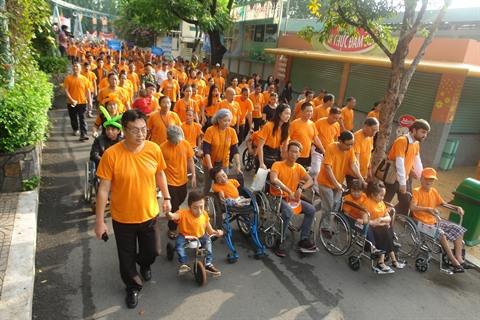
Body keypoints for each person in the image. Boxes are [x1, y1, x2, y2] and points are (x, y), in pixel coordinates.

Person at [94, 109, 172, 309]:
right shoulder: (111, 155)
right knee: (126, 257)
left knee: (153, 251)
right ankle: (133, 286)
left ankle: (144, 264)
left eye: (144, 129)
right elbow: (103, 189)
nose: (141, 134)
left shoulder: (153, 149)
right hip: (123, 218)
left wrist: (166, 197)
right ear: (124, 131)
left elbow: (160, 174)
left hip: (149, 213)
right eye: (135, 130)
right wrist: (100, 221)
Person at [410, 168, 473, 273]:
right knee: (441, 233)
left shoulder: (433, 191)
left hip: (435, 221)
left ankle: (459, 259)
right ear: (421, 179)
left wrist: (456, 207)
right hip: (422, 222)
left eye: (431, 180)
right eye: (427, 179)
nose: (429, 181)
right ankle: (453, 261)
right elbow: (412, 207)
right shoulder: (416, 191)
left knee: (459, 229)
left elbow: (443, 203)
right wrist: (428, 209)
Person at [269, 141, 317, 257]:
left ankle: (303, 239)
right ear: (287, 152)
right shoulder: (277, 164)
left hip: (291, 199)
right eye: (291, 151)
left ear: (299, 154)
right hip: (277, 197)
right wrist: (289, 191)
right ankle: (279, 240)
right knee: (288, 212)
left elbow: (311, 180)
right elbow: (274, 179)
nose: (293, 154)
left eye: (296, 152)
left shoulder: (299, 167)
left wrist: (301, 188)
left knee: (311, 210)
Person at [165, 190, 223, 275]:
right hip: (185, 236)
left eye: (201, 207)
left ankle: (208, 264)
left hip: (200, 236)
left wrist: (216, 232)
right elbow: (173, 217)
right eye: (195, 207)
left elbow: (210, 230)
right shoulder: (183, 213)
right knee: (179, 245)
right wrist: (167, 212)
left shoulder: (204, 214)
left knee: (208, 242)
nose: (199, 211)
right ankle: (184, 264)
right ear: (189, 206)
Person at [384, 119, 430, 215]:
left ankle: (390, 216)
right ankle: (378, 220)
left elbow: (417, 161)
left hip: (405, 178)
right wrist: (402, 183)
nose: (425, 135)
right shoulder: (402, 141)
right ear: (413, 130)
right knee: (384, 201)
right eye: (423, 132)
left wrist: (421, 176)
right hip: (392, 177)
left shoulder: (416, 143)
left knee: (406, 202)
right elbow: (399, 163)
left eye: (426, 133)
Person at [317, 131, 365, 221]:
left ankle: (316, 208)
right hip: (325, 183)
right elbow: (328, 168)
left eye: (352, 144)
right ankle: (324, 228)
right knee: (329, 207)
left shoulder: (350, 149)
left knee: (336, 205)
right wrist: (336, 184)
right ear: (340, 141)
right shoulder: (331, 147)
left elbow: (353, 164)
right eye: (348, 144)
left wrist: (361, 178)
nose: (350, 147)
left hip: (338, 182)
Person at [160, 125, 196, 239]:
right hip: (169, 182)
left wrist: (193, 174)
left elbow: (190, 159)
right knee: (175, 206)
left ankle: (172, 214)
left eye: (178, 141)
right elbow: (159, 167)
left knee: (181, 200)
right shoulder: (162, 148)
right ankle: (172, 228)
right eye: (174, 142)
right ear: (168, 139)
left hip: (183, 180)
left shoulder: (185, 144)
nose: (177, 144)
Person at [363, 181, 406, 274]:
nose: (383, 198)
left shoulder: (381, 203)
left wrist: (380, 220)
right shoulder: (367, 203)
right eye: (381, 195)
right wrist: (377, 222)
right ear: (373, 194)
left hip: (379, 225)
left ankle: (389, 260)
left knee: (387, 229)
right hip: (371, 228)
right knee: (386, 231)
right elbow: (366, 221)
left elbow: (388, 218)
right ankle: (384, 261)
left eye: (383, 195)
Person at [202, 109, 242, 194]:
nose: (227, 123)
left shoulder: (232, 131)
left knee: (224, 184)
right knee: (208, 185)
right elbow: (206, 150)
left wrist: (238, 165)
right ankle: (204, 201)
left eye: (229, 121)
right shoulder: (210, 130)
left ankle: (222, 204)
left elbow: (235, 149)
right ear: (219, 120)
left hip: (224, 162)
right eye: (225, 121)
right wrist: (210, 168)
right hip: (210, 162)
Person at [345, 117, 379, 187]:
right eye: (373, 130)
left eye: (376, 131)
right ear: (366, 126)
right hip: (354, 173)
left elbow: (369, 154)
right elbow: (356, 159)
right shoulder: (356, 137)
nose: (374, 133)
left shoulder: (370, 137)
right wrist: (360, 177)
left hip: (364, 173)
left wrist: (369, 170)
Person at [63, 61, 93, 141]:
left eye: (77, 66)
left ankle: (83, 134)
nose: (75, 68)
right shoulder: (68, 78)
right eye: (74, 66)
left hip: (82, 102)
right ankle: (75, 129)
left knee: (82, 118)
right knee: (73, 117)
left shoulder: (85, 79)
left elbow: (88, 91)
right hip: (71, 102)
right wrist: (71, 100)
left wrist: (90, 102)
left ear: (80, 68)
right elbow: (66, 90)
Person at [289, 102, 324, 168]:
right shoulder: (294, 123)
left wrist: (323, 150)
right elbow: (288, 138)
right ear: (302, 111)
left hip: (306, 155)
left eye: (311, 111)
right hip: (294, 155)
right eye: (307, 111)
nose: (310, 113)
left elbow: (315, 138)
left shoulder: (312, 124)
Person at [257, 103, 291, 169]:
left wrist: (284, 163)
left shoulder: (286, 129)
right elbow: (260, 146)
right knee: (261, 178)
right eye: (286, 113)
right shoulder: (268, 126)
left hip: (276, 156)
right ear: (279, 114)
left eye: (289, 114)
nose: (288, 116)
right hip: (265, 155)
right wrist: (261, 163)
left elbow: (284, 148)